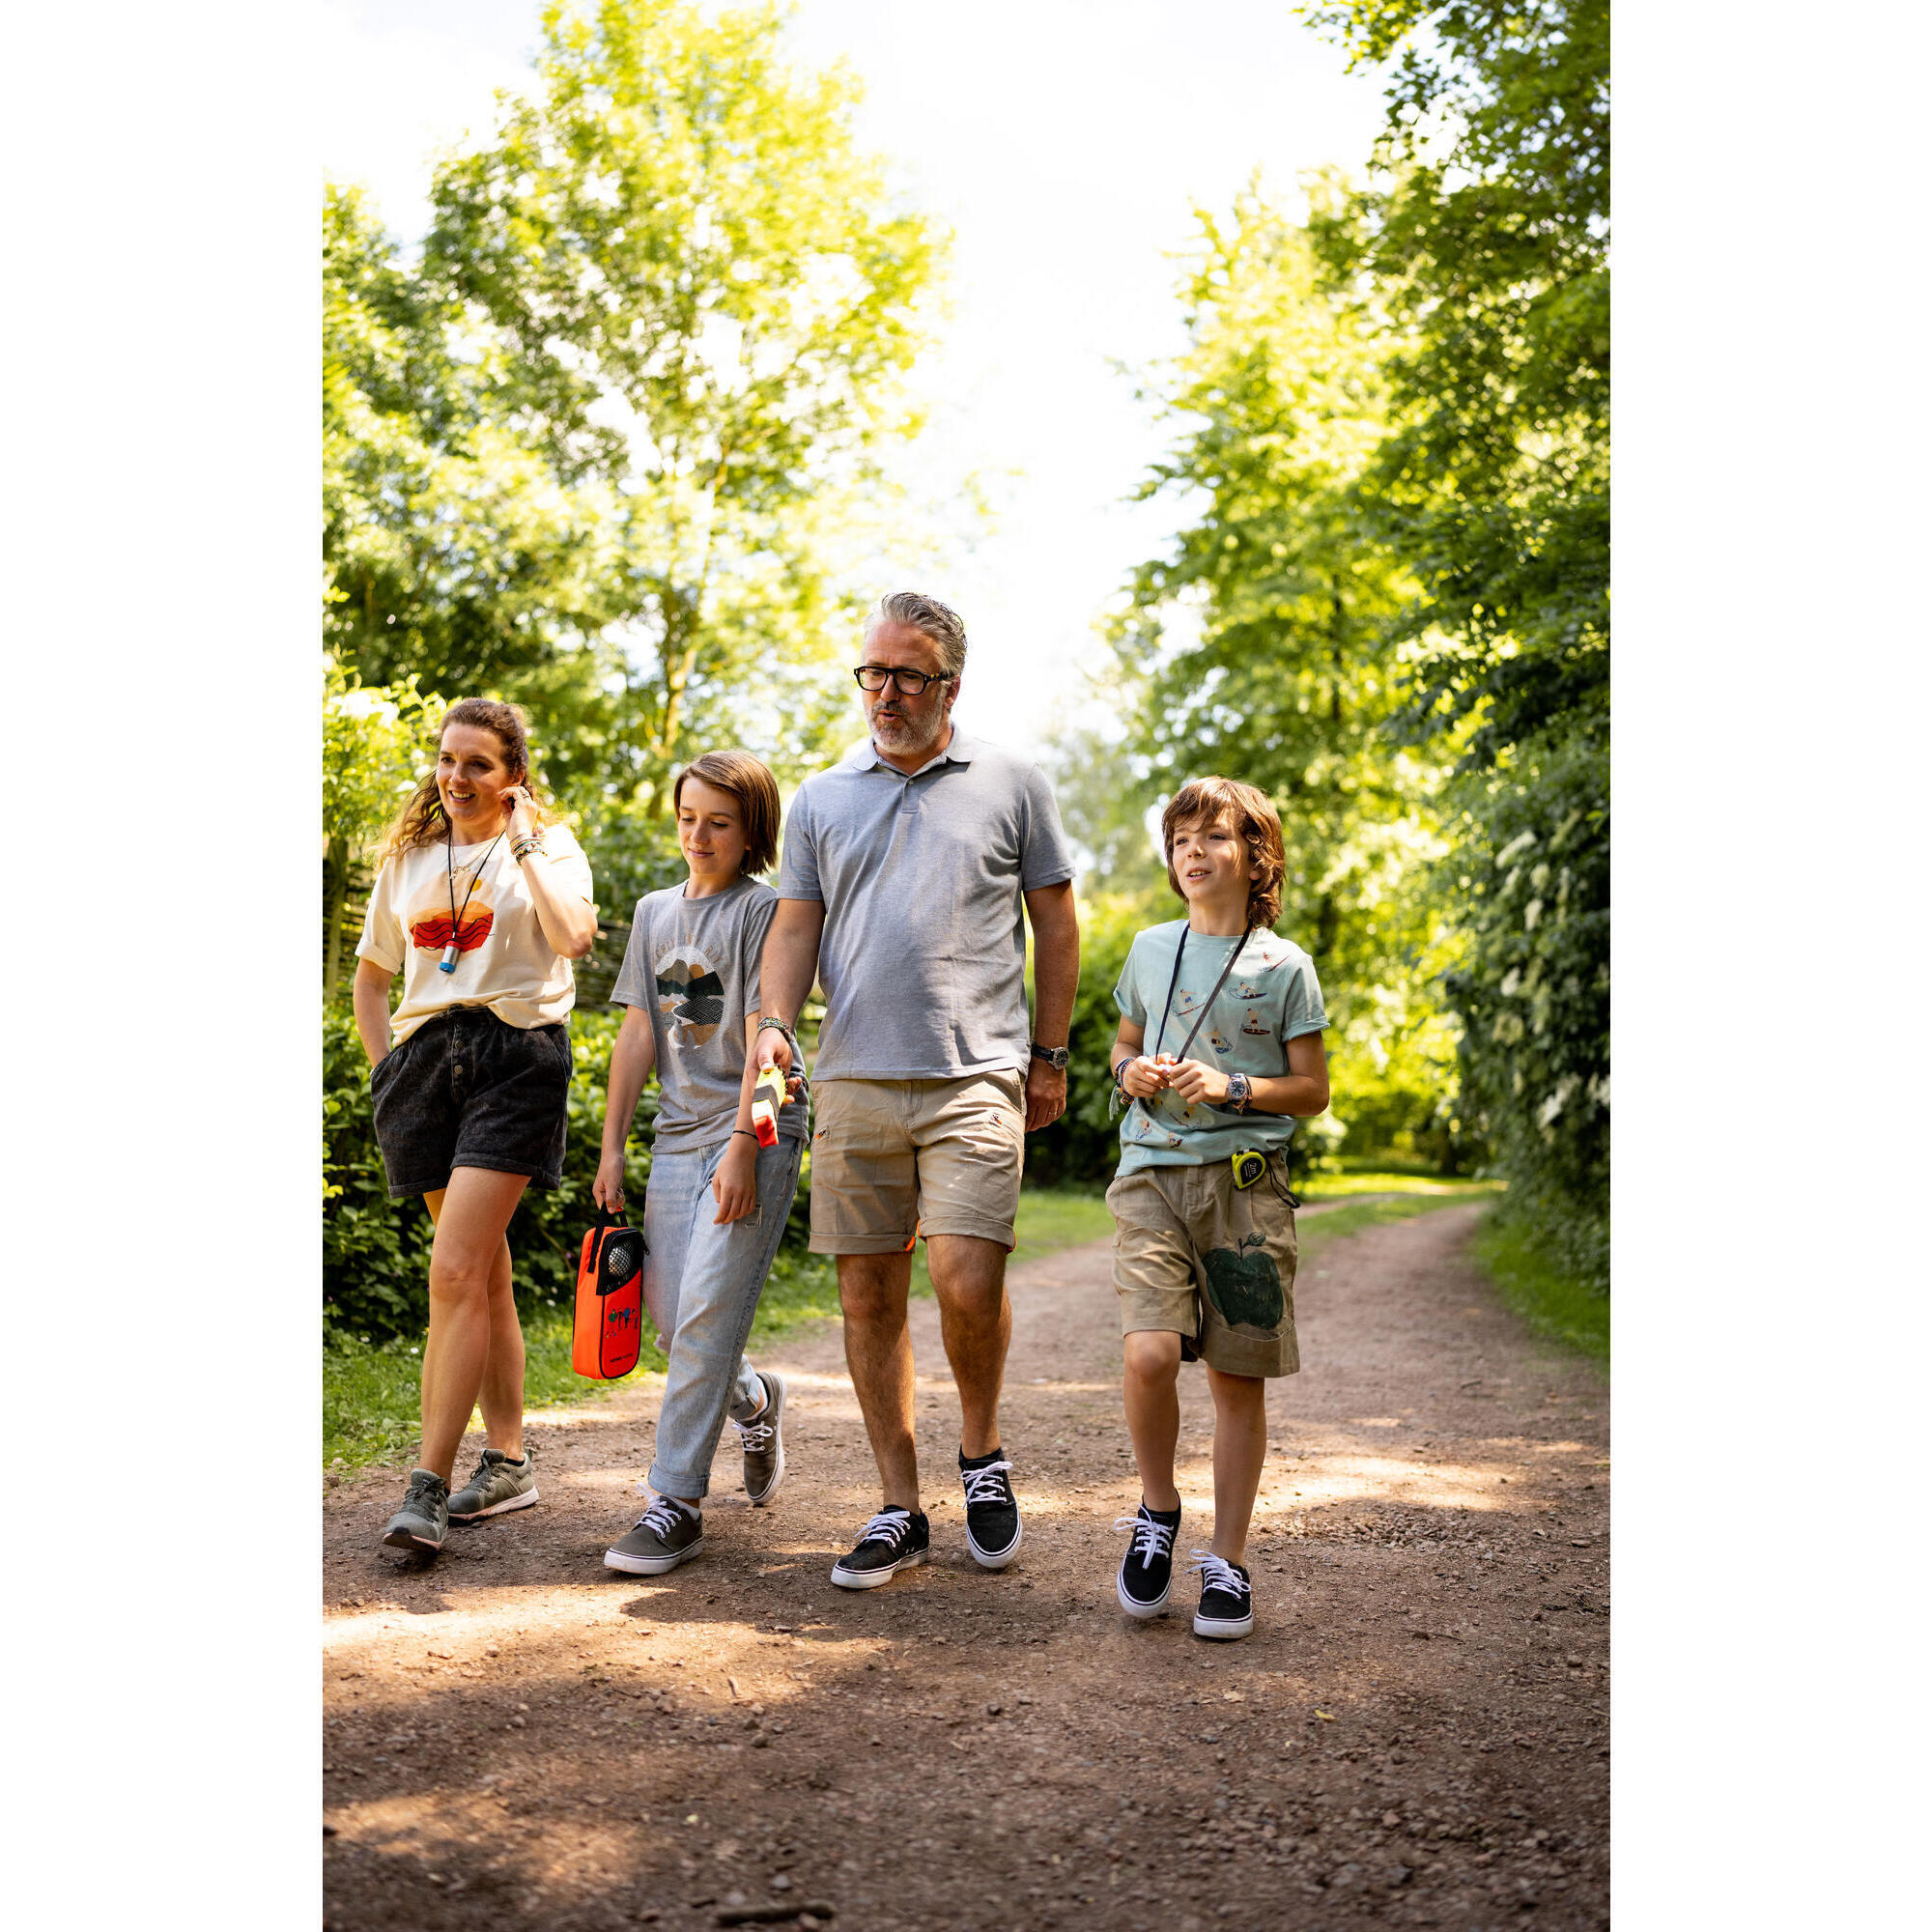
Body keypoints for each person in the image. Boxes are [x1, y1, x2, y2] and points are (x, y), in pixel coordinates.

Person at [754, 591, 1081, 1591]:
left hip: (975, 1069)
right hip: (852, 1069)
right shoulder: (819, 798)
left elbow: (1056, 926)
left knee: (964, 1276)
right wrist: (773, 1026)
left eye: (904, 675)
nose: (883, 693)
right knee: (865, 1293)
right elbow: (796, 927)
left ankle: (980, 1454)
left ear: (948, 684)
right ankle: (898, 1503)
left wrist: (1050, 1054)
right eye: (871, 672)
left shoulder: (1010, 784)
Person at [354, 697, 599, 1556]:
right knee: (482, 1274)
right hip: (422, 1068)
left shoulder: (549, 849)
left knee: (454, 1270)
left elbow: (574, 936)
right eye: (447, 760)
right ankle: (507, 1462)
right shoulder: (410, 858)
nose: (456, 777)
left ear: (513, 777)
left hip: (515, 1059)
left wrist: (527, 840)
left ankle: (424, 1487)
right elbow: (373, 978)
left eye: (479, 765)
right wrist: (388, 1069)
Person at [1104, 776, 1330, 1641]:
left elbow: (1310, 1091)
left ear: (1255, 856)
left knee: (1237, 1379)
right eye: (1181, 840)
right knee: (1152, 1354)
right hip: (1151, 1179)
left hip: (1246, 1192)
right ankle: (1157, 1513)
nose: (1193, 853)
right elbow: (1124, 1045)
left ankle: (1228, 1562)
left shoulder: (1285, 965)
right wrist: (1131, 1072)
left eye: (1214, 838)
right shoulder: (1149, 947)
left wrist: (1235, 1086)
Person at [595, 751, 808, 1576]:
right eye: (688, 817)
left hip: (758, 1124)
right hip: (677, 1134)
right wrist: (613, 1146)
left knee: (708, 1313)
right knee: (673, 1319)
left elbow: (768, 1030)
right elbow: (641, 1032)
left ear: (751, 828)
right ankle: (754, 1399)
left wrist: (745, 1147)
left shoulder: (768, 912)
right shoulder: (654, 912)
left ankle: (673, 1501)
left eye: (718, 821)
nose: (698, 834)